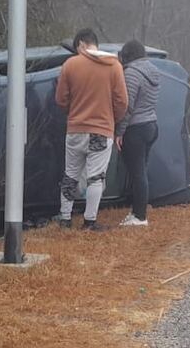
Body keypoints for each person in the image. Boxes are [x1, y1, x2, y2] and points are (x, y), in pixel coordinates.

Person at [55, 28, 128, 230]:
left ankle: (65, 218)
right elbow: (122, 101)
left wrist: (73, 111)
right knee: (96, 177)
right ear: (95, 43)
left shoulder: (70, 65)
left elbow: (60, 99)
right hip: (102, 130)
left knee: (71, 174)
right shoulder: (114, 66)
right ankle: (89, 221)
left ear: (81, 45)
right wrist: (113, 119)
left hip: (75, 129)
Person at [115, 40, 161, 227]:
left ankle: (139, 216)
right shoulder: (153, 71)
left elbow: (128, 106)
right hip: (151, 124)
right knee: (141, 170)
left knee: (137, 173)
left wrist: (119, 131)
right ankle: (138, 210)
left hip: (136, 128)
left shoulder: (132, 74)